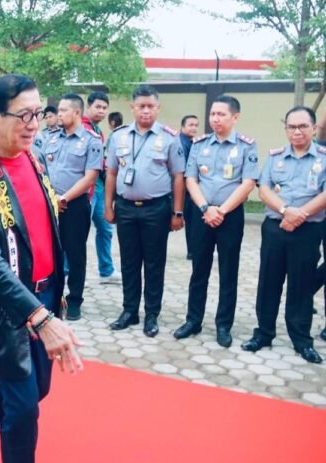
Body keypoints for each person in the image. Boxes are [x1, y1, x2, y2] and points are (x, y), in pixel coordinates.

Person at [0, 74, 82, 463]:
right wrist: (39, 318)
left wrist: (52, 301)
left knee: (39, 389)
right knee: (23, 409)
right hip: (5, 305)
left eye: (38, 113)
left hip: (46, 292)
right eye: (23, 115)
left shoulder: (34, 157)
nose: (34, 123)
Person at [242, 106, 326, 364]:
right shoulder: (275, 157)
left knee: (301, 286)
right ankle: (263, 334)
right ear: (286, 129)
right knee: (269, 282)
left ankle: (301, 340)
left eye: (303, 126)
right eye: (292, 126)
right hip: (275, 228)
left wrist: (300, 215)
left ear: (313, 128)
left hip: (308, 230)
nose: (297, 131)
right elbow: (264, 190)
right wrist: (286, 211)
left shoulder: (323, 158)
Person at [174, 97, 257, 348]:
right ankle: (193, 320)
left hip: (230, 216)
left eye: (221, 114)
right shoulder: (199, 144)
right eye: (213, 114)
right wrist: (205, 208)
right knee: (199, 270)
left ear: (235, 117)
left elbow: (248, 183)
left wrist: (221, 210)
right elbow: (190, 179)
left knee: (228, 272)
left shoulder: (246, 146)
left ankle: (223, 325)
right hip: (202, 214)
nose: (215, 119)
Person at [104, 85, 185, 337]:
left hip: (156, 209)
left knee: (153, 263)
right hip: (126, 208)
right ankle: (129, 311)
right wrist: (108, 206)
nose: (146, 111)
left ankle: (151, 314)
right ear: (133, 108)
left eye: (151, 106)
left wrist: (177, 212)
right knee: (129, 262)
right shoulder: (118, 136)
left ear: (158, 108)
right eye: (141, 106)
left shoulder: (170, 138)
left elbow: (178, 176)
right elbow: (111, 173)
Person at [45, 93, 102, 320]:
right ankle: (52, 295)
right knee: (51, 252)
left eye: (63, 111)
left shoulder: (91, 141)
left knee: (75, 254)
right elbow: (41, 169)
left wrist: (64, 199)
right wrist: (52, 198)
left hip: (74, 206)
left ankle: (75, 299)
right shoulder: (51, 138)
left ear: (76, 113)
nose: (58, 114)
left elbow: (90, 177)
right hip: (49, 204)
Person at [84, 91, 121, 285]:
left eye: (105, 108)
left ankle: (106, 270)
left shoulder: (98, 130)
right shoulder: (81, 128)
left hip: (99, 188)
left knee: (106, 229)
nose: (101, 111)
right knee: (79, 233)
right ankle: (69, 273)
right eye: (98, 107)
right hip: (85, 190)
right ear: (88, 106)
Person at [180, 115, 200, 259]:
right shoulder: (182, 143)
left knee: (193, 220)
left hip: (190, 187)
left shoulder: (191, 142)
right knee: (192, 220)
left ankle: (193, 250)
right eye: (190, 125)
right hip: (185, 189)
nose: (194, 128)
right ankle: (192, 251)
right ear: (183, 126)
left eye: (196, 125)